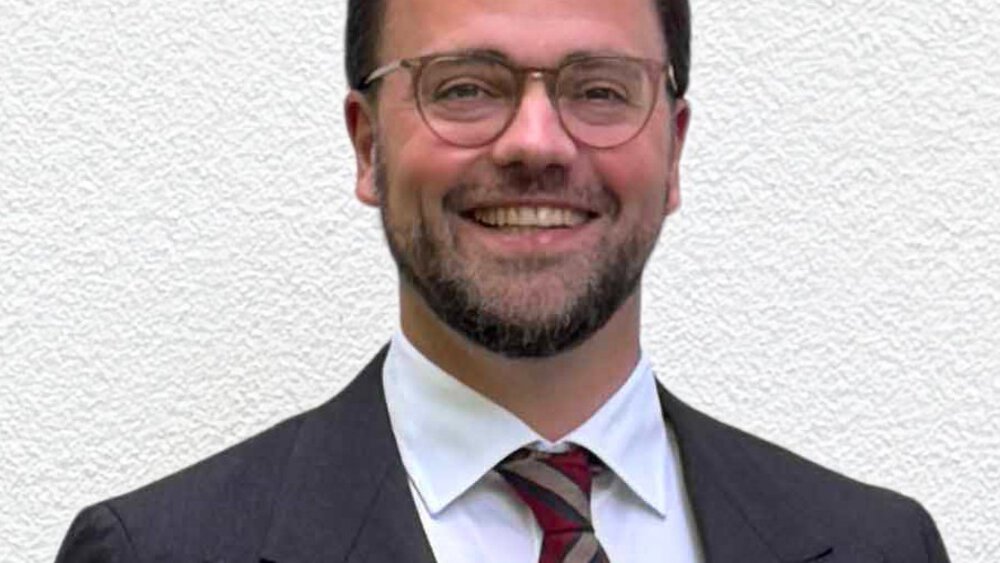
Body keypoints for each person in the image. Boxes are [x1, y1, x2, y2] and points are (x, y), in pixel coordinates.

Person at [56, 0, 951, 561]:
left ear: (674, 151)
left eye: (599, 89)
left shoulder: (882, 546)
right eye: (464, 88)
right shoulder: (152, 550)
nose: (536, 142)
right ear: (368, 145)